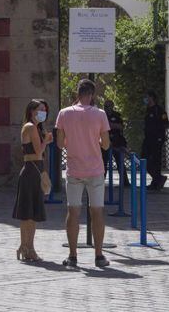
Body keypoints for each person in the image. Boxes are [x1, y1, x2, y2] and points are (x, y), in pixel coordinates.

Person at [54, 78, 111, 268]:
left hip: (74, 168)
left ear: (77, 94)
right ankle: (99, 256)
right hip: (95, 169)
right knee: (97, 212)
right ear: (92, 94)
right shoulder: (100, 114)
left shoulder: (64, 114)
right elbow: (106, 144)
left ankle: (72, 256)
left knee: (73, 211)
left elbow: (60, 144)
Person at [13, 99, 51, 262]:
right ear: (31, 111)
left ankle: (27, 247)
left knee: (31, 213)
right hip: (31, 171)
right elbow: (37, 152)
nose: (43, 112)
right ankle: (27, 247)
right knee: (28, 213)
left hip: (33, 171)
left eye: (44, 110)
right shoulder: (30, 127)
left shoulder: (33, 127)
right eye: (40, 109)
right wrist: (46, 141)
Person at [142, 91, 169, 190]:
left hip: (157, 139)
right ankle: (159, 178)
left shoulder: (159, 110)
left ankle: (155, 182)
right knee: (144, 159)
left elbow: (166, 124)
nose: (145, 99)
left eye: (147, 97)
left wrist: (158, 131)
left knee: (156, 161)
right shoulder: (148, 110)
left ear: (152, 98)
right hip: (148, 139)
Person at [103, 98, 128, 190]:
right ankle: (101, 182)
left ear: (112, 107)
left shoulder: (116, 115)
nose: (106, 108)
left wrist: (110, 125)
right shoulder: (102, 115)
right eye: (105, 106)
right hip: (105, 141)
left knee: (120, 162)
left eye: (108, 106)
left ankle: (125, 182)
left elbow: (121, 126)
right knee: (103, 162)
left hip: (117, 141)